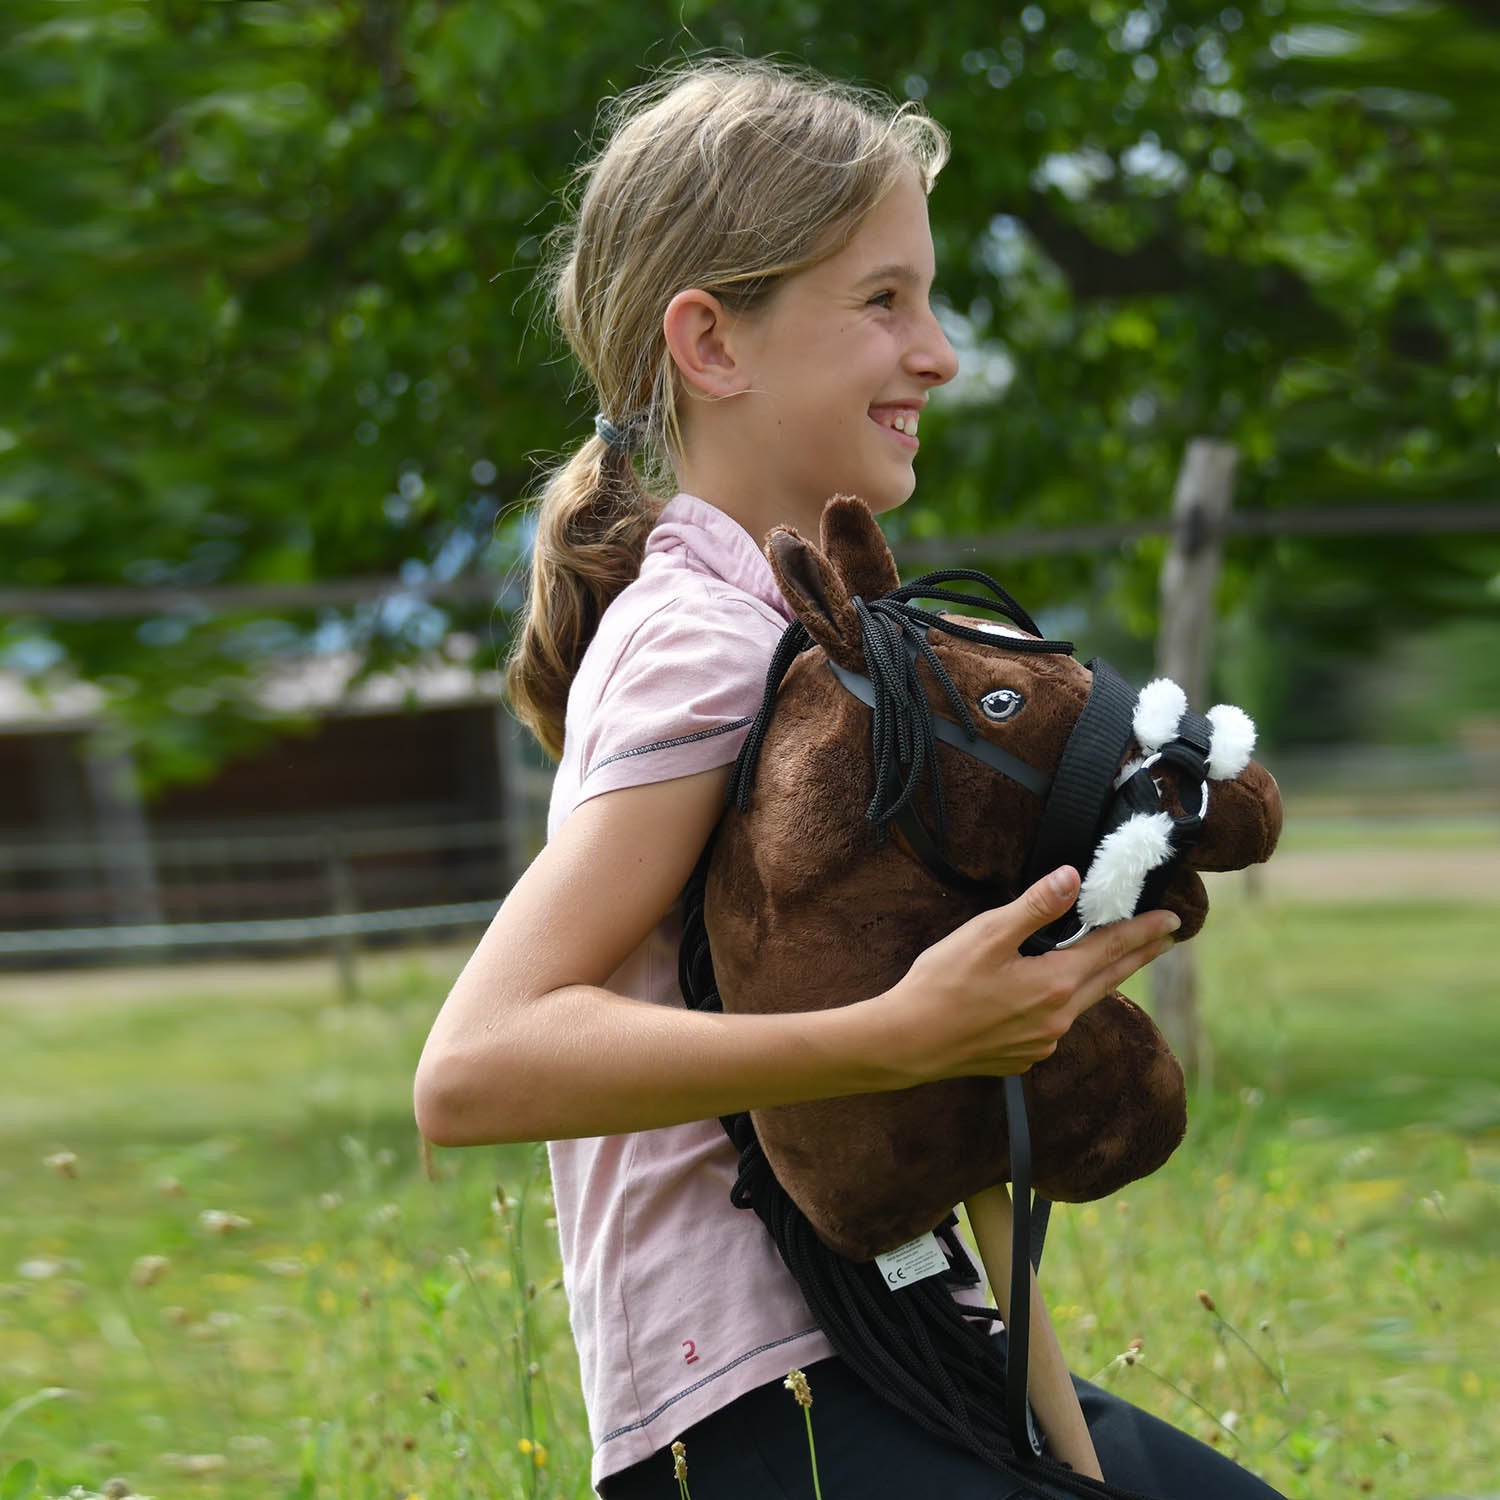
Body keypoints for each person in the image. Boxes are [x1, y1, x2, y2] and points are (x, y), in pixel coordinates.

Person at [414, 57, 1284, 1500]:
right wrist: (901, 1035)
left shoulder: (794, 622)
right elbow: (478, 1065)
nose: (937, 352)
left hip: (895, 1335)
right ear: (713, 342)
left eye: (928, 301)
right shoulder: (699, 640)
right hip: (755, 1405)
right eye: (884, 301)